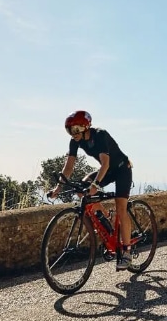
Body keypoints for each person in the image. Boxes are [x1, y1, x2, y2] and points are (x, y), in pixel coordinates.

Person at [48, 110, 134, 270]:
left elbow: (105, 163)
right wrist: (58, 188)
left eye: (75, 130)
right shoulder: (75, 141)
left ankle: (127, 252)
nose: (72, 134)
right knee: (82, 188)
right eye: (69, 130)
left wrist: (95, 186)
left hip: (121, 168)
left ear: (85, 127)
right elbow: (68, 167)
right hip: (107, 170)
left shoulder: (100, 135)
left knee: (121, 208)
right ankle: (105, 216)